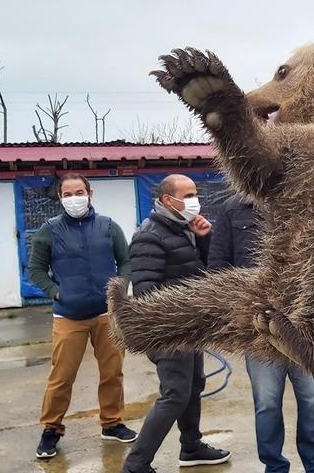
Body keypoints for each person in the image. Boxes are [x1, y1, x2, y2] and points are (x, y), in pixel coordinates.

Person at [207, 194, 314, 473]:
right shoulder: (233, 209)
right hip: (258, 328)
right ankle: (274, 466)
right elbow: (217, 266)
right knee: (266, 403)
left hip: (306, 326)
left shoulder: (309, 199)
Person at [121, 174, 231, 473]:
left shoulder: (186, 229)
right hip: (170, 331)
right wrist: (171, 333)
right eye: (189, 194)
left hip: (189, 326)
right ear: (168, 200)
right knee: (174, 395)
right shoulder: (150, 235)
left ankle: (191, 446)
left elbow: (207, 272)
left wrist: (206, 238)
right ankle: (136, 463)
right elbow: (146, 291)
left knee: (194, 385)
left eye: (196, 193)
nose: (195, 200)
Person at [28, 173, 137, 459]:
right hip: (69, 318)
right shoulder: (48, 230)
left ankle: (112, 423)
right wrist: (56, 293)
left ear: (90, 193)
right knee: (62, 376)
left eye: (79, 191)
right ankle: (51, 429)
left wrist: (120, 288)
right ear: (60, 198)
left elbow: (125, 262)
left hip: (106, 314)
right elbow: (36, 270)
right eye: (67, 194)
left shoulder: (108, 226)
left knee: (112, 372)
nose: (74, 198)